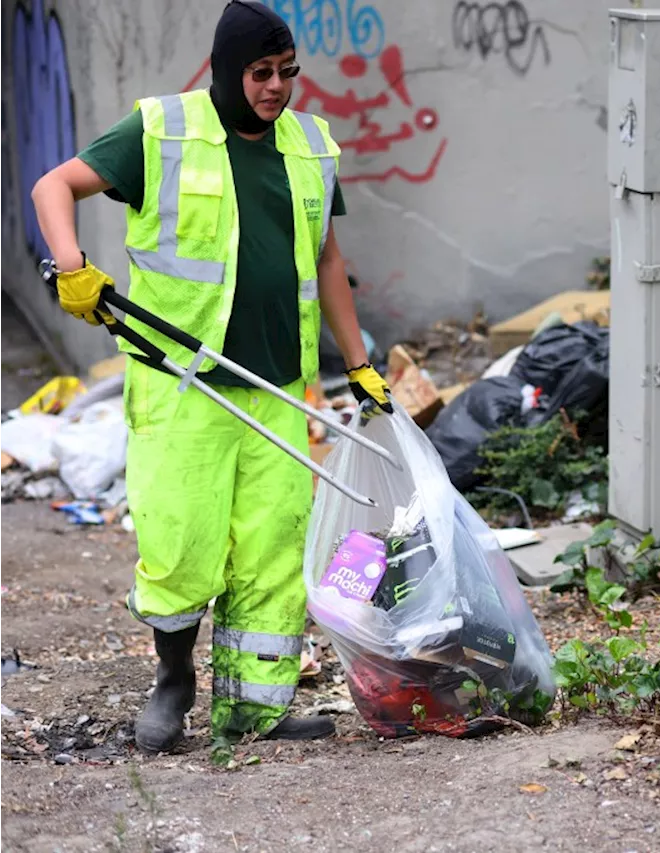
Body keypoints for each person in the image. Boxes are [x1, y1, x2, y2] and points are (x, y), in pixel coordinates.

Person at [29, 0, 393, 753]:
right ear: (230, 70)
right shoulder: (160, 130)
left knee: (269, 546)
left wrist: (358, 363)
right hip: (181, 381)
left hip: (275, 383)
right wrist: (73, 268)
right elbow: (53, 187)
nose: (277, 87)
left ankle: (255, 709)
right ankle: (174, 681)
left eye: (288, 72)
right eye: (261, 73)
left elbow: (326, 259)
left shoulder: (310, 147)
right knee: (183, 540)